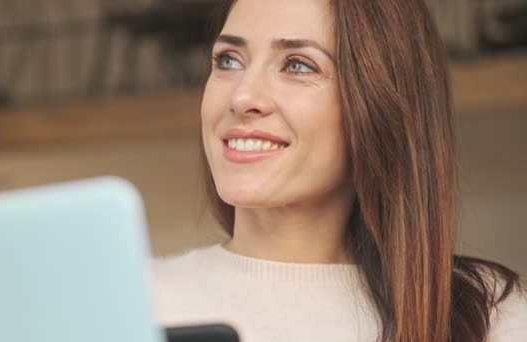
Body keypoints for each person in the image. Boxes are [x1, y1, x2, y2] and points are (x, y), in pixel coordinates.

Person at [152, 0, 527, 341]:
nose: (242, 96)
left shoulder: (493, 316)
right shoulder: (132, 299)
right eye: (228, 60)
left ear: (380, 107)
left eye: (298, 65)